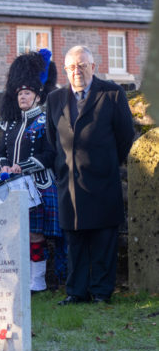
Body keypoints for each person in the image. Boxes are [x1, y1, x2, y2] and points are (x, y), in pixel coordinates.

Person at [46, 45, 134, 305]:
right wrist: (63, 167)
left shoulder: (112, 94)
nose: (77, 71)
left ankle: (101, 292)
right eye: (72, 67)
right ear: (65, 70)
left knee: (103, 239)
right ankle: (76, 292)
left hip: (103, 180)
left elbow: (125, 135)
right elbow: (53, 140)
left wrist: (106, 163)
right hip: (70, 183)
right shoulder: (55, 99)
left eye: (83, 65)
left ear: (93, 67)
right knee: (74, 241)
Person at [0, 49, 62, 293]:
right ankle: (20, 279)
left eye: (27, 93)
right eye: (20, 93)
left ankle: (38, 281)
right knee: (14, 234)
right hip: (11, 187)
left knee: (35, 236)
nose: (22, 97)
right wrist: (3, 165)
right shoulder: (11, 125)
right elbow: (0, 152)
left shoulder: (45, 122)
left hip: (38, 186)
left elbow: (49, 155)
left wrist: (22, 167)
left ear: (37, 97)